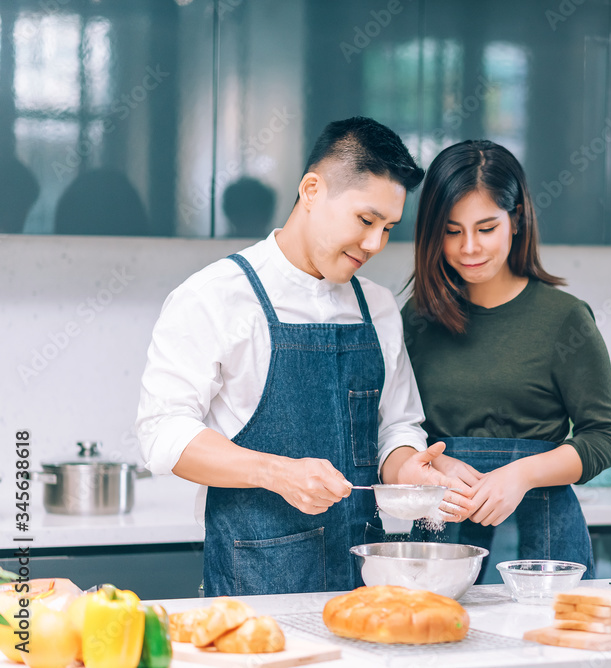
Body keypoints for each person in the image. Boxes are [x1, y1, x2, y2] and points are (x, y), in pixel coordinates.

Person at [136, 117, 475, 596]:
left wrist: (406, 470)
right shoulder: (213, 297)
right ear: (312, 190)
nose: (375, 244)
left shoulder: (376, 307)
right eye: (365, 220)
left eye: (388, 228)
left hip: (371, 584)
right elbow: (163, 433)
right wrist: (276, 472)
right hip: (258, 585)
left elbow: (396, 427)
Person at [402, 140, 611, 578]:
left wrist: (520, 475)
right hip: (441, 526)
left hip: (544, 536)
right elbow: (396, 430)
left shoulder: (565, 319)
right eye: (451, 231)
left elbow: (605, 437)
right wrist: (436, 461)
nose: (469, 247)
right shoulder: (417, 320)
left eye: (486, 228)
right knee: (435, 639)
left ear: (516, 220)